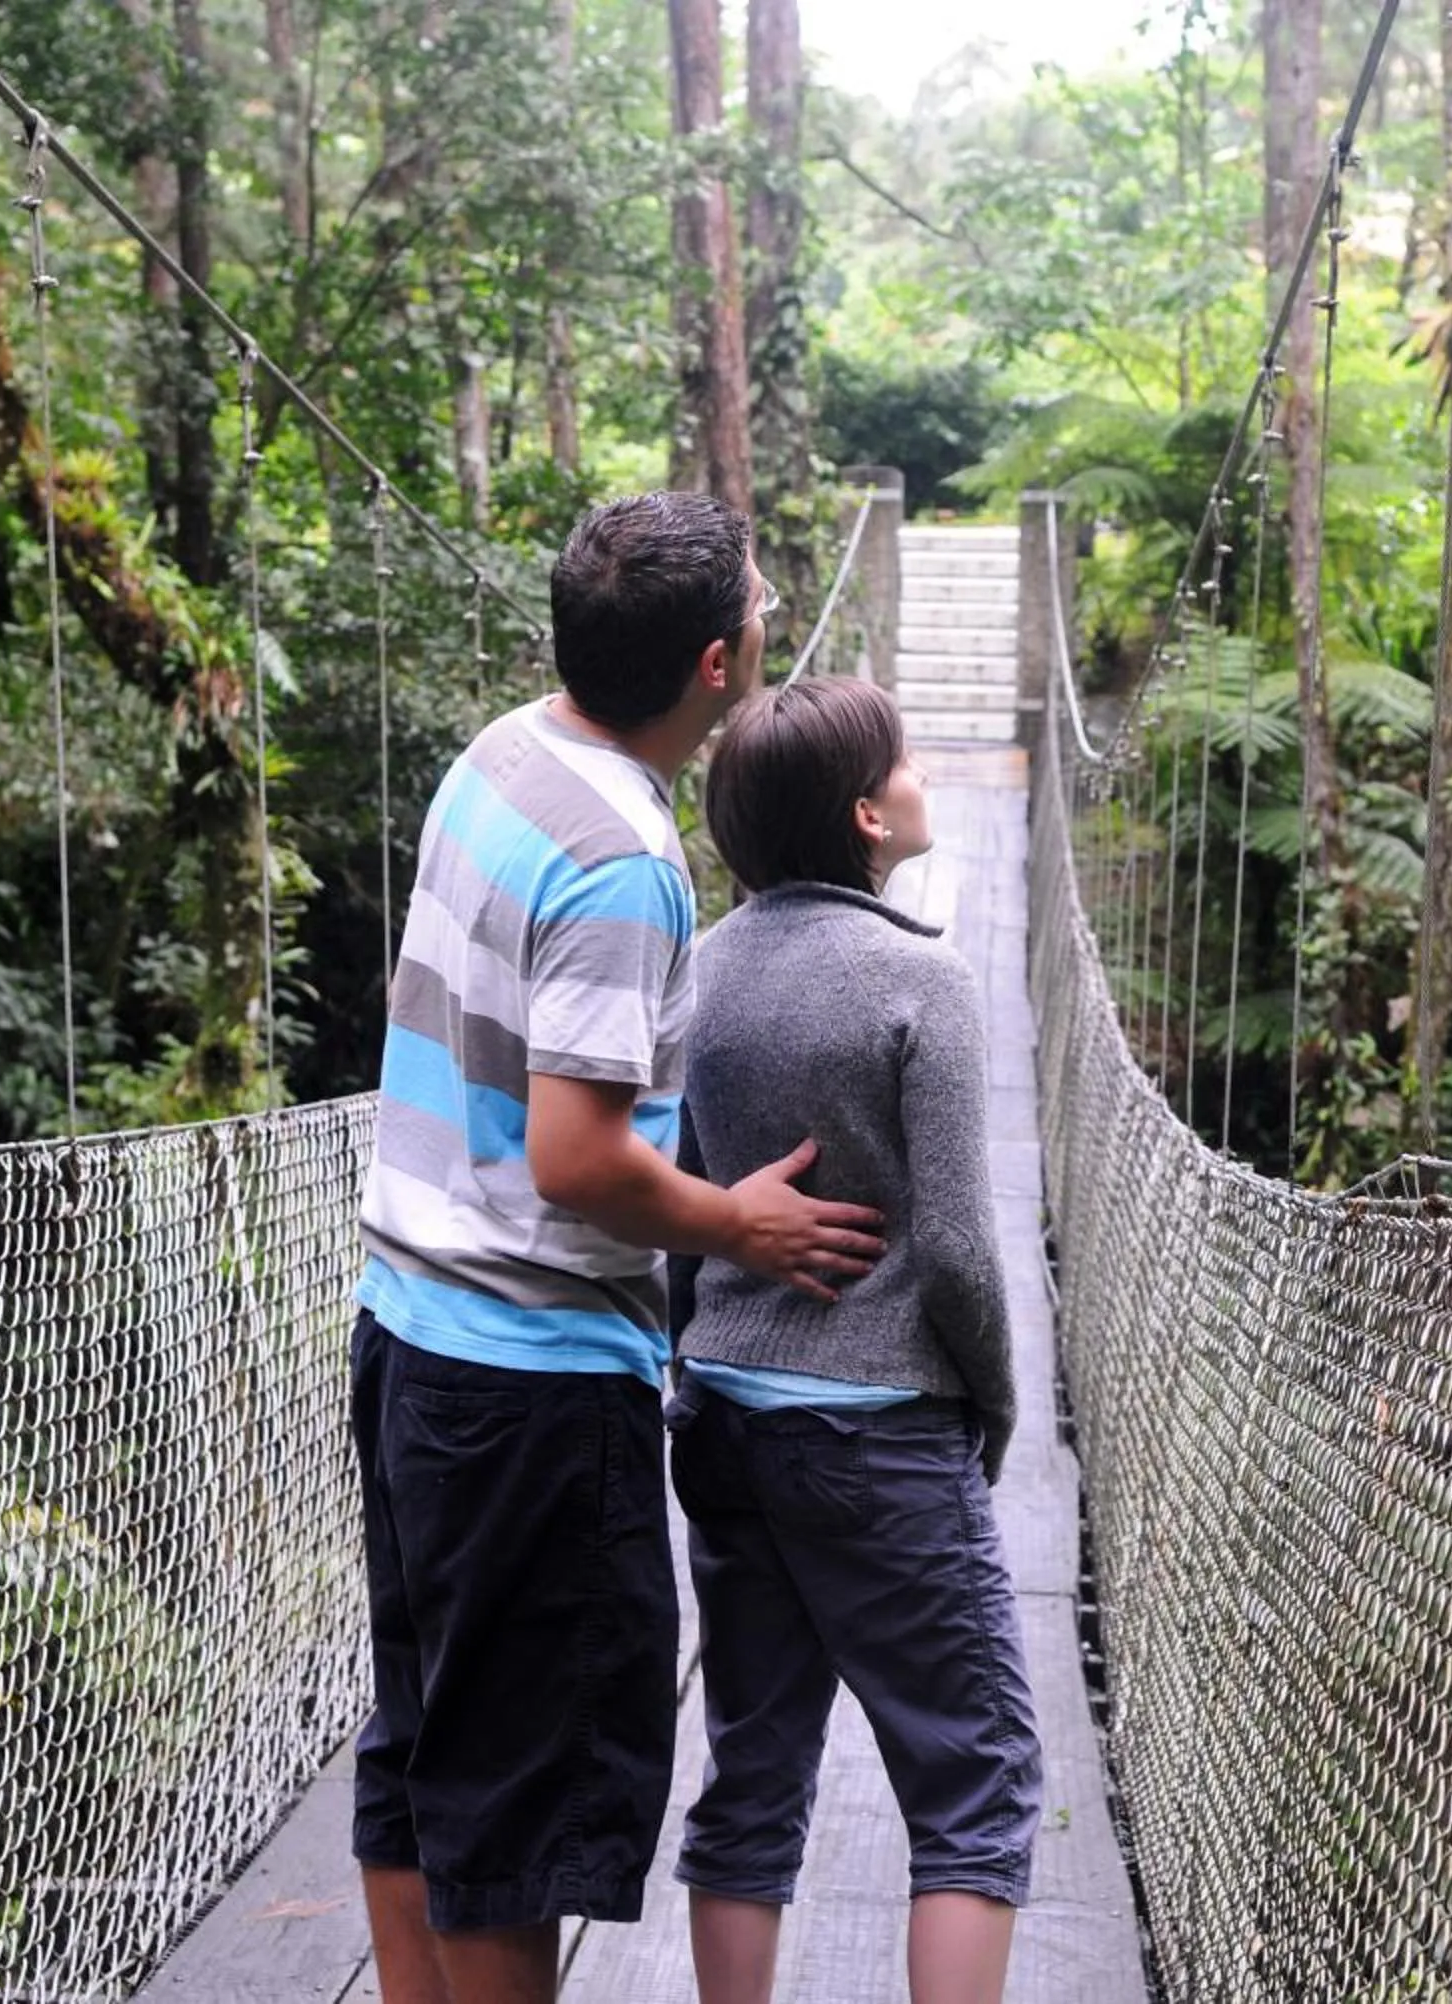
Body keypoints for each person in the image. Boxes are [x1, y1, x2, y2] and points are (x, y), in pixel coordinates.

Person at [348, 492, 888, 2004]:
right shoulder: (625, 863)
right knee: (516, 1805)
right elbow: (578, 1161)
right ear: (717, 666)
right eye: (768, 609)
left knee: (421, 1751)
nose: (780, 618)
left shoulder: (502, 754)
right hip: (524, 1392)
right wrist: (744, 1224)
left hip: (406, 1336)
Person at [667, 675, 1043, 2004]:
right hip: (877, 1431)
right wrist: (992, 1405)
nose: (928, 772)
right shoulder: (922, 978)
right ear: (869, 816)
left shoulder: (697, 971)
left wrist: (690, 1355)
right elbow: (950, 1242)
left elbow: (686, 1209)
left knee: (754, 1771)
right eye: (910, 760)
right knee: (975, 1785)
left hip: (720, 1418)